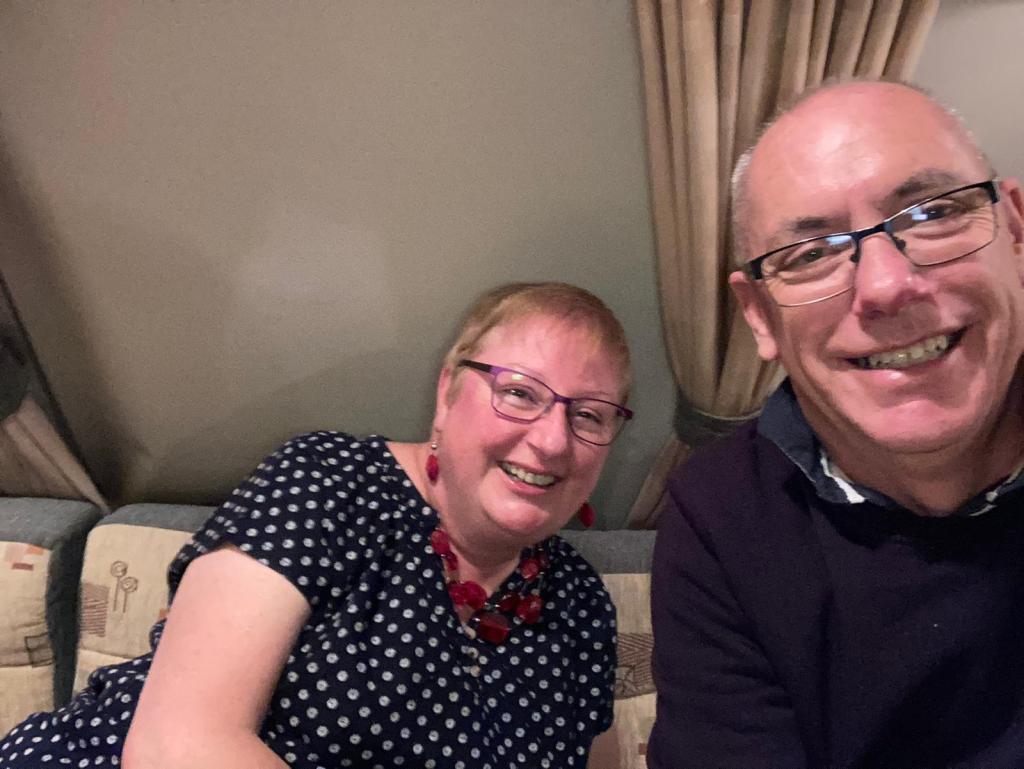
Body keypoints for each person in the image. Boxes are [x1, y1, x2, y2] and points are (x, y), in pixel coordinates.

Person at [0, 281, 634, 769]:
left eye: (589, 415)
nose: (553, 440)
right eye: (519, 393)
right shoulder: (328, 481)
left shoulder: (580, 607)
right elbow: (180, 744)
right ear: (447, 394)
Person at [647, 79, 1024, 769]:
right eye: (812, 254)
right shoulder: (720, 521)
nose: (885, 285)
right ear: (759, 315)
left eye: (932, 212)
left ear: (1018, 232)